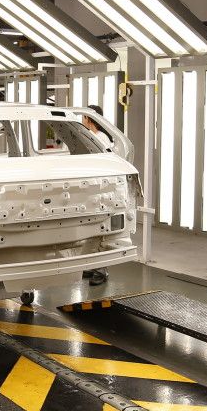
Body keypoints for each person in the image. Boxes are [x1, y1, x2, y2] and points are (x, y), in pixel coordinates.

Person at [82, 105, 112, 286]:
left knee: (102, 232)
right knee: (91, 231)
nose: (82, 120)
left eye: (84, 117)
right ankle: (92, 266)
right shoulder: (89, 135)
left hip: (102, 192)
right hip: (91, 191)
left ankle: (101, 270)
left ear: (89, 119)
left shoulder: (101, 138)